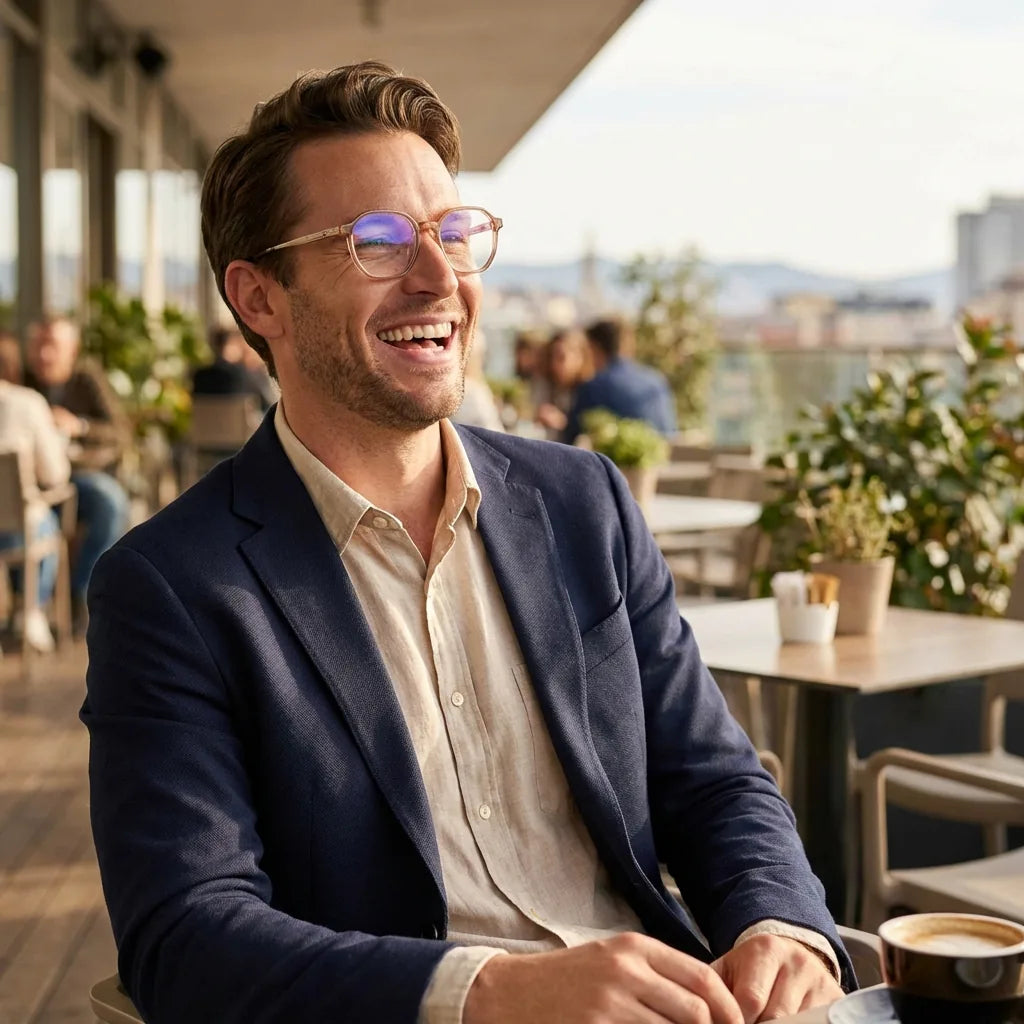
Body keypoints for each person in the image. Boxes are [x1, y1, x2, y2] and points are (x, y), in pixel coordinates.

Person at [82, 61, 851, 1024]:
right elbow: (186, 936)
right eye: (376, 242)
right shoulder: (170, 588)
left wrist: (781, 927)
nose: (440, 277)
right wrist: (493, 992)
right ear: (260, 298)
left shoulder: (583, 503)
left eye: (452, 233)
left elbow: (712, 778)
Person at [25, 317, 130, 630]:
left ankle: (82, 594)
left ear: (72, 350)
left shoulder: (87, 380)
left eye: (53, 346)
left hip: (80, 476)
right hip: (32, 482)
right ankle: (31, 609)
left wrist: (78, 425)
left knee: (110, 501)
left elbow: (121, 433)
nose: (45, 355)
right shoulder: (23, 382)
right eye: (39, 345)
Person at [0, 332, 71, 652]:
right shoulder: (27, 403)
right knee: (46, 523)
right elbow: (56, 475)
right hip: (17, 531)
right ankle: (33, 610)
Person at [563, 317, 677, 443]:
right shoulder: (656, 380)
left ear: (595, 347)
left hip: (620, 461)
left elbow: (570, 441)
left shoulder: (593, 387)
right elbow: (670, 431)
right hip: (666, 459)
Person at [192, 325, 276, 410]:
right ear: (230, 345)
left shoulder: (199, 375)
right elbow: (267, 406)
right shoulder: (243, 375)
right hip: (240, 423)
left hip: (207, 423)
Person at [534, 327, 593, 437]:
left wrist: (563, 423)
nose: (555, 364)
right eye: (552, 357)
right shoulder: (548, 386)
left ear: (579, 357)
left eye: (561, 357)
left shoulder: (590, 391)